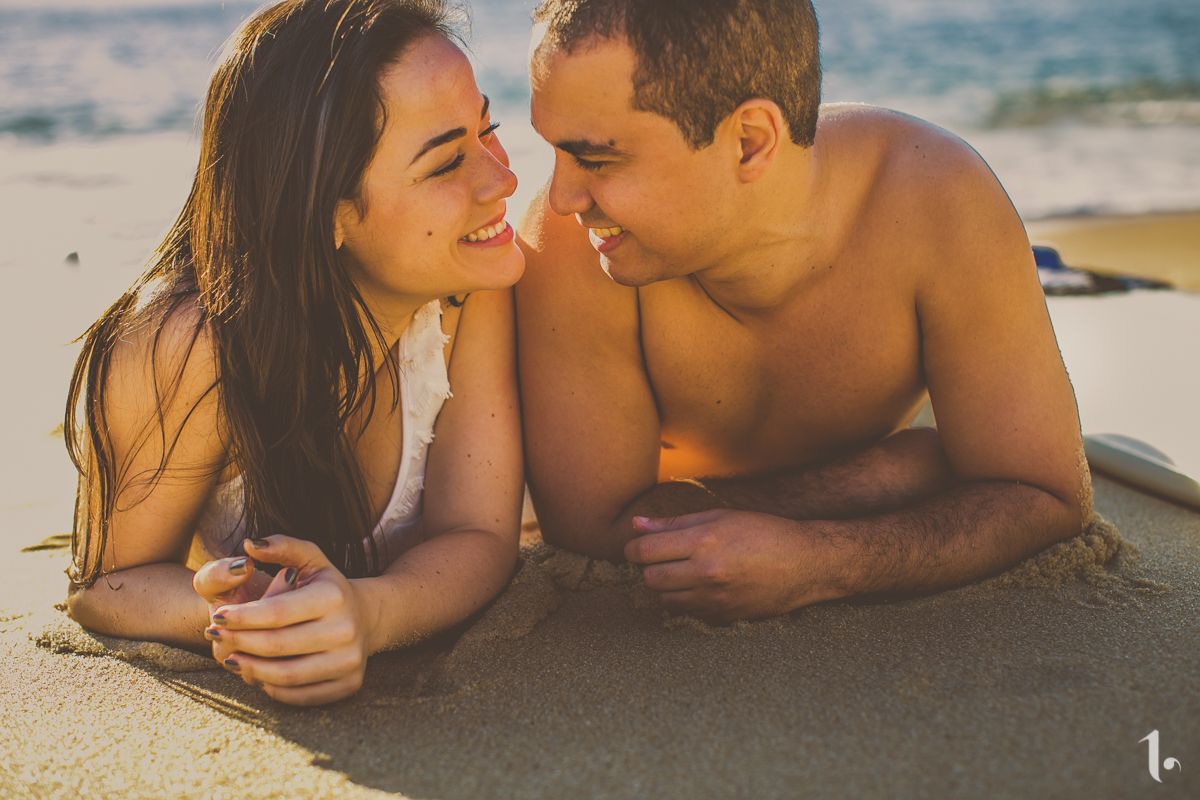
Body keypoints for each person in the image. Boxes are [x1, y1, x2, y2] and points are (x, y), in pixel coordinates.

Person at [515, 0, 1093, 623]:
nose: (562, 197)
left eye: (597, 159)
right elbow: (589, 525)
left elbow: (1048, 495)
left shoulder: (934, 201)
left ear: (749, 142)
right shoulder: (568, 244)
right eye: (553, 150)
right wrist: (881, 478)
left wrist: (824, 561)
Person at [64, 0, 525, 706]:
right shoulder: (190, 345)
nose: (504, 179)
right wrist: (252, 621)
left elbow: (480, 534)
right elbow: (104, 583)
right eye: (446, 163)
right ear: (325, 212)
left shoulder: (468, 286)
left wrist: (370, 615)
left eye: (488, 128)